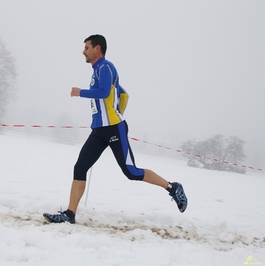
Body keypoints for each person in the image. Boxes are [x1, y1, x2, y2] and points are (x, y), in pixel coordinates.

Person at [43, 34, 187, 224]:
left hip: (113, 129)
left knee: (131, 172)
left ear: (97, 48)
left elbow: (104, 92)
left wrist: (82, 94)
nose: (83, 51)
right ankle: (70, 214)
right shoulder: (97, 71)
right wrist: (112, 111)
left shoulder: (106, 67)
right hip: (99, 131)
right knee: (80, 167)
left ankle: (173, 187)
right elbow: (123, 94)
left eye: (86, 47)